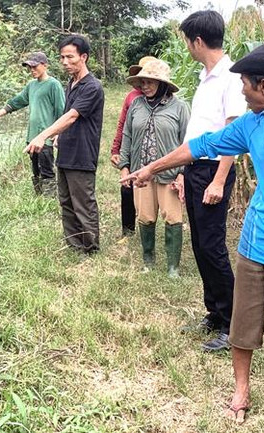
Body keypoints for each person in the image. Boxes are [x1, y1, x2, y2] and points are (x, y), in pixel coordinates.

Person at [120, 44, 264, 426]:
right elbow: (201, 146)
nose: (240, 90)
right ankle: (241, 391)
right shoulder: (251, 124)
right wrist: (152, 168)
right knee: (243, 323)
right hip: (254, 243)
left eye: (244, 83)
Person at [177, 11, 247, 353]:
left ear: (198, 41)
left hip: (213, 171)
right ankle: (215, 313)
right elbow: (198, 130)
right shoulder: (205, 77)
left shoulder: (231, 78)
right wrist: (182, 172)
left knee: (213, 246)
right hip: (195, 169)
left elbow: (232, 134)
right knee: (200, 245)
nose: (187, 47)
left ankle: (233, 323)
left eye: (187, 41)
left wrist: (218, 180)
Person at [25, 35, 104, 255]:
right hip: (66, 151)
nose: (65, 62)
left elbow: (71, 116)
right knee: (66, 201)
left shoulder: (92, 87)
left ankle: (90, 248)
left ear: (84, 57)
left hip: (83, 153)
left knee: (83, 203)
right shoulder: (71, 83)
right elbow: (65, 117)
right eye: (62, 57)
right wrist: (57, 137)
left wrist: (43, 136)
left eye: (70, 57)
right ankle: (74, 245)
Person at [118, 59, 190, 278]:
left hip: (169, 174)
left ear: (163, 84)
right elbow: (127, 136)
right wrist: (124, 165)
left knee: (173, 217)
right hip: (142, 173)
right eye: (143, 82)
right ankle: (148, 260)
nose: (145, 86)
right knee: (146, 216)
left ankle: (173, 267)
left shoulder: (179, 107)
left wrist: (182, 173)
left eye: (150, 82)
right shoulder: (137, 106)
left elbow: (188, 142)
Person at [0, 52, 65, 197]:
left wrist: (58, 133)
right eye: (30, 68)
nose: (32, 70)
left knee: (47, 170)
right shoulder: (31, 85)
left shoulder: (54, 85)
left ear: (45, 65)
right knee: (35, 170)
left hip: (46, 138)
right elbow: (16, 102)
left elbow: (61, 110)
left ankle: (49, 200)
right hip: (32, 137)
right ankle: (38, 197)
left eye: (35, 67)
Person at [110, 56, 157, 238]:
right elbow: (123, 125)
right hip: (133, 149)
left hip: (155, 153)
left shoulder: (168, 99)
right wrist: (116, 150)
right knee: (127, 187)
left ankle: (148, 223)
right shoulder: (132, 98)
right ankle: (128, 229)